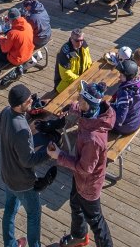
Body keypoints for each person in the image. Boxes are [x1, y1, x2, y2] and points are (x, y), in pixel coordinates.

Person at [47, 81, 115, 247]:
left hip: (88, 185)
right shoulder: (94, 114)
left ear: (88, 104)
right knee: (75, 203)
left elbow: (85, 169)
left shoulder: (93, 139)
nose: (78, 98)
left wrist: (59, 155)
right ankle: (79, 236)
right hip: (80, 180)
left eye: (81, 98)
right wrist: (70, 108)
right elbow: (81, 109)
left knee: (96, 222)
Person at [0, 83, 51, 247]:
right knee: (34, 214)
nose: (31, 102)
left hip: (7, 174)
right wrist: (48, 153)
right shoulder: (21, 129)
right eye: (29, 101)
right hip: (23, 182)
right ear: (19, 104)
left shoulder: (6, 112)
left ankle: (10, 244)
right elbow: (28, 160)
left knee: (9, 211)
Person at [109, 59, 140, 135]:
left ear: (128, 77)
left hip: (125, 128)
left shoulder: (124, 93)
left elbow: (120, 119)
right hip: (136, 121)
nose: (119, 76)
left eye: (122, 75)